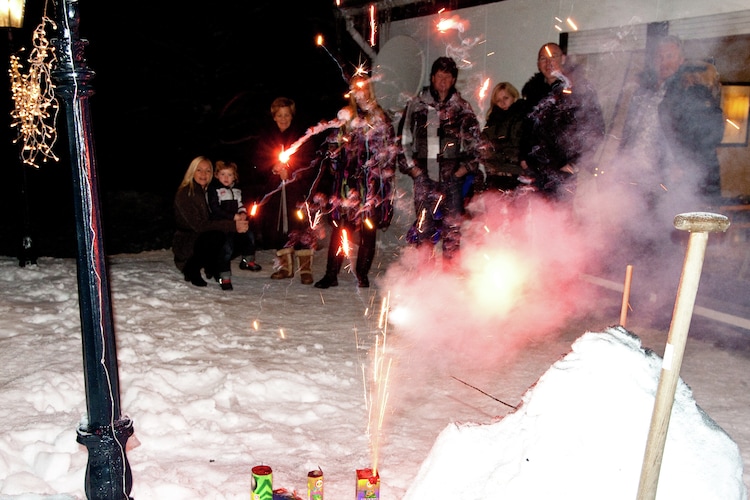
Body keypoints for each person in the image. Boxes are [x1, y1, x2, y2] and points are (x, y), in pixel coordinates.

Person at [313, 74, 397, 289]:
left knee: (368, 228)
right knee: (342, 227)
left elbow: (389, 152)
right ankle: (331, 274)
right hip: (347, 182)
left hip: (370, 183)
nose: (361, 94)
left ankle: (362, 274)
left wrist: (381, 172)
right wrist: (333, 151)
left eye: (365, 89)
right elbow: (335, 147)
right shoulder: (345, 117)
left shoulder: (380, 118)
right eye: (356, 89)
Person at [398, 56, 482, 267]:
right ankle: (424, 277)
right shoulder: (417, 105)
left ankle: (449, 280)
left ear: (453, 80)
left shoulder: (462, 107)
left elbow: (476, 143)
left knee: (452, 230)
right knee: (424, 227)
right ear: (432, 77)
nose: (443, 81)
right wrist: (413, 170)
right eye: (439, 76)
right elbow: (403, 140)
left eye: (448, 76)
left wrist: (463, 170)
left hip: (452, 179)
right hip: (424, 176)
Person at [620, 35, 724, 203]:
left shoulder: (692, 90)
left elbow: (712, 134)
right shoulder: (642, 93)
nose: (664, 62)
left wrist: (684, 165)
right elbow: (629, 134)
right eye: (660, 57)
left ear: (681, 61)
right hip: (636, 180)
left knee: (666, 226)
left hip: (669, 182)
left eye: (670, 56)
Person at [520, 42, 605, 202]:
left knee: (562, 220)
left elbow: (596, 128)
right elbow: (526, 129)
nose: (548, 63)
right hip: (536, 170)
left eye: (553, 57)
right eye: (543, 59)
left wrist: (575, 162)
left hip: (563, 171)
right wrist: (524, 158)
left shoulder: (579, 89)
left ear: (564, 59)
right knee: (536, 219)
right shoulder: (533, 93)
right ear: (538, 64)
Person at [172, 156, 250, 290]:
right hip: (188, 241)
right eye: (199, 170)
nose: (203, 174)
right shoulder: (186, 193)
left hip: (202, 238)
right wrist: (232, 225)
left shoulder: (208, 192)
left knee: (241, 238)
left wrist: (240, 218)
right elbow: (199, 225)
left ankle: (212, 266)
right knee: (216, 236)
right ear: (192, 172)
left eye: (207, 171)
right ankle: (192, 268)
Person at [250, 97, 316, 253]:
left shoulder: (301, 138)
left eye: (286, 115)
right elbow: (258, 160)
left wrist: (292, 172)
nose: (283, 119)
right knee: (273, 220)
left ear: (292, 116)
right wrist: (272, 168)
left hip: (295, 189)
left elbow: (309, 162)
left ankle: (298, 248)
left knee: (296, 219)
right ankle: (277, 250)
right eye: (279, 115)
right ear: (274, 117)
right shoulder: (267, 137)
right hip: (273, 188)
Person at [206, 160, 262, 287]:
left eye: (230, 175)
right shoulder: (215, 189)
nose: (226, 178)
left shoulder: (236, 190)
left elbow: (240, 204)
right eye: (223, 174)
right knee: (227, 248)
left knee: (250, 236)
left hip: (236, 223)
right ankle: (224, 276)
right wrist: (233, 216)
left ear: (234, 177)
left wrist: (242, 213)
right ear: (216, 175)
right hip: (222, 225)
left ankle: (247, 260)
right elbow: (215, 209)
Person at [481, 81, 527, 192]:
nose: (502, 103)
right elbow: (484, 149)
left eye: (506, 98)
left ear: (514, 97)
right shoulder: (492, 122)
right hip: (496, 177)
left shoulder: (523, 118)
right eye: (498, 100)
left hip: (517, 177)